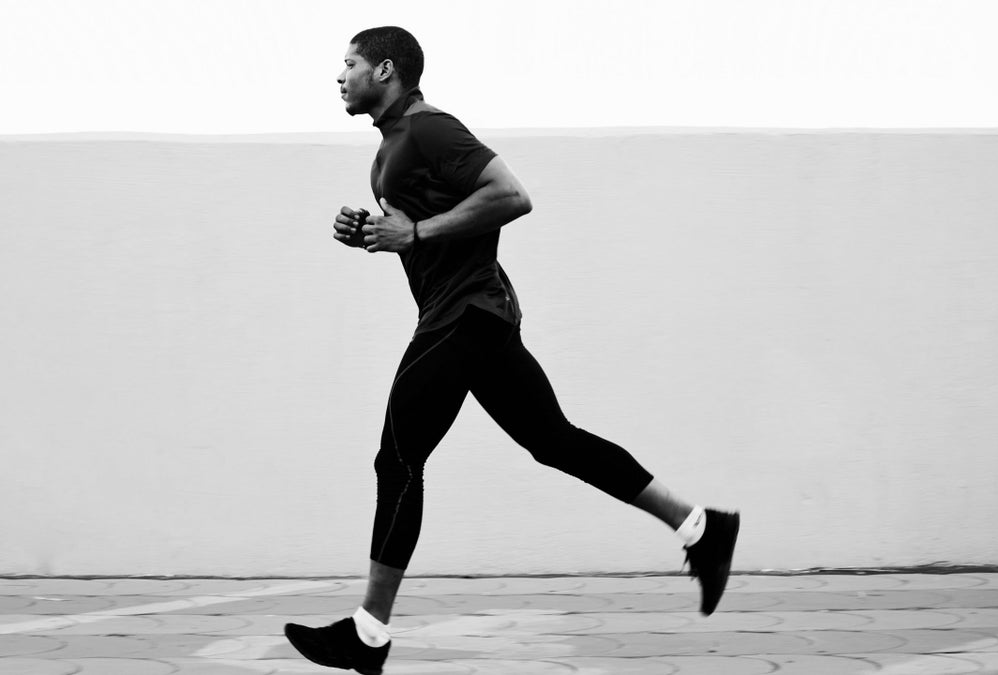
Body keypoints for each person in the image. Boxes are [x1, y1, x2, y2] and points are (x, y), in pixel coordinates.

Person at [285, 26, 739, 675]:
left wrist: (415, 232)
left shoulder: (430, 128)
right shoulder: (389, 150)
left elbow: (511, 196)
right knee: (555, 441)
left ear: (385, 70)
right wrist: (372, 232)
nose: (340, 75)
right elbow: (421, 233)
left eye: (350, 63)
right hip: (474, 316)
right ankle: (700, 527)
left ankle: (368, 633)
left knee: (399, 460)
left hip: (463, 316)